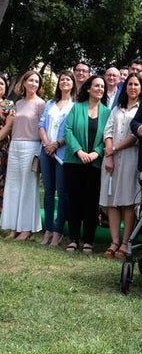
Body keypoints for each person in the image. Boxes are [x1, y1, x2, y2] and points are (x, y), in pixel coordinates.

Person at [62, 76, 110, 252]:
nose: (100, 89)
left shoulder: (107, 112)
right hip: (74, 161)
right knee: (74, 201)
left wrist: (95, 153)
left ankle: (89, 240)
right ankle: (73, 239)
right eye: (96, 85)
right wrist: (79, 152)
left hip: (95, 164)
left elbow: (108, 136)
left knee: (91, 203)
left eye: (102, 87)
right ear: (88, 88)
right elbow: (67, 130)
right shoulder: (76, 107)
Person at [100, 72, 142, 257]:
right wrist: (109, 154)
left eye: (136, 84)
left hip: (130, 159)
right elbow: (108, 131)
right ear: (125, 87)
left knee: (127, 202)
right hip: (111, 160)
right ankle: (114, 241)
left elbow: (136, 136)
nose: (132, 87)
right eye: (129, 84)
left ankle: (125, 243)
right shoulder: (117, 108)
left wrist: (115, 148)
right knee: (112, 201)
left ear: (141, 88)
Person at [0, 70, 46, 240]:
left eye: (36, 81)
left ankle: (26, 229)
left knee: (28, 187)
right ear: (24, 82)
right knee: (13, 187)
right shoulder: (17, 104)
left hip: (32, 147)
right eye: (30, 80)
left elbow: (43, 128)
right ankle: (14, 227)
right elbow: (9, 126)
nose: (33, 83)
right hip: (15, 146)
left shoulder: (42, 104)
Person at [38, 71, 74, 247]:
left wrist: (56, 145)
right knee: (48, 192)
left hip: (62, 153)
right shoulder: (50, 103)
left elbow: (72, 130)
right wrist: (47, 145)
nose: (64, 82)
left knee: (62, 192)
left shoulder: (75, 105)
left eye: (68, 79)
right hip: (46, 152)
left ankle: (58, 232)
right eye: (62, 79)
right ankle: (48, 230)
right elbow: (41, 125)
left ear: (73, 83)